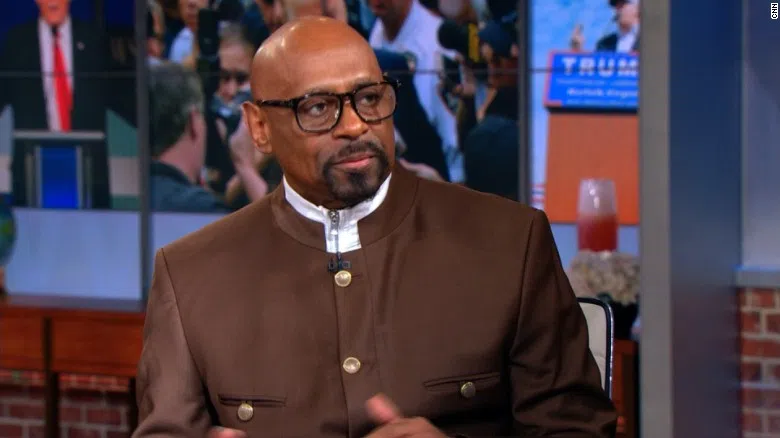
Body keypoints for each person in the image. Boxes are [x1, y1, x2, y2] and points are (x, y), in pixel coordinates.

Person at [133, 17, 617, 438]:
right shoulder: (189, 275)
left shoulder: (511, 242)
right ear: (259, 127)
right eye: (318, 107)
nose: (354, 125)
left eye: (369, 98)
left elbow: (577, 429)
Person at [149, 62, 267, 212]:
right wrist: (246, 167)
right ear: (193, 122)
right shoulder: (202, 210)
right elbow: (285, 227)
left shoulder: (128, 194)